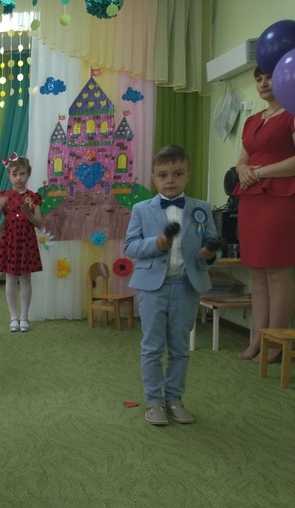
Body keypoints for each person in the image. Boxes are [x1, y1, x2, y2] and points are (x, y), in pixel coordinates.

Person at [124, 145, 219, 426]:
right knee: (152, 346)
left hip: (186, 286)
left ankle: (174, 399)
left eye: (177, 173)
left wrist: (210, 253)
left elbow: (212, 243)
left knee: (179, 347)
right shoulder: (141, 209)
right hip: (153, 288)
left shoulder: (202, 208)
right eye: (163, 175)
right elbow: (130, 246)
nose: (170, 180)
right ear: (154, 177)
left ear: (189, 174)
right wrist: (158, 243)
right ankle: (154, 400)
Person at [233, 66, 295, 362]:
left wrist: (259, 172)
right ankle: (257, 339)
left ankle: (275, 343)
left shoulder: (291, 114)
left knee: (278, 272)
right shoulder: (252, 120)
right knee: (256, 270)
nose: (263, 83)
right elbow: (242, 160)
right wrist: (243, 170)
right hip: (252, 200)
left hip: (281, 198)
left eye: (268, 77)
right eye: (258, 79)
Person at [0, 154, 44, 332]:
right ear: (9, 176)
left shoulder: (33, 197)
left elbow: (40, 224)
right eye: (15, 174)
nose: (19, 178)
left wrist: (28, 214)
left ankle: (24, 317)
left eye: (22, 174)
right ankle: (13, 317)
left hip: (27, 241)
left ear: (28, 174)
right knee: (11, 279)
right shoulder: (3, 195)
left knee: (26, 279)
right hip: (10, 240)